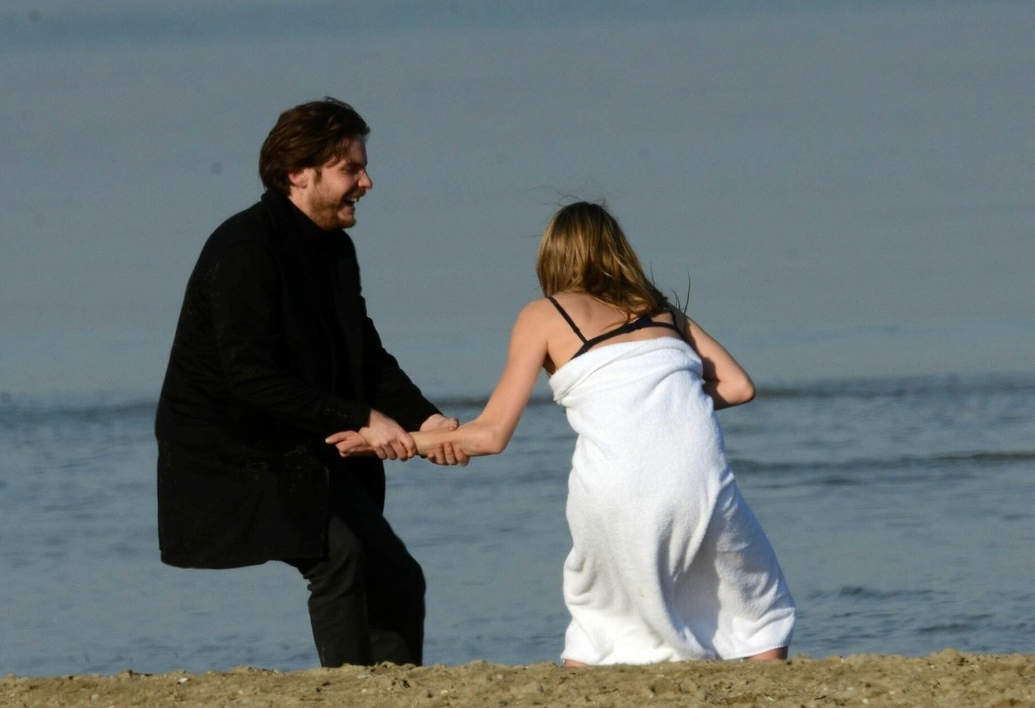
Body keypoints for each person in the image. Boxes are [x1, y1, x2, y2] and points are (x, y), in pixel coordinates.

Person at [332, 201, 795, 665]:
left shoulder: (544, 315)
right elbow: (739, 386)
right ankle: (772, 687)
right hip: (701, 486)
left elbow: (491, 435)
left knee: (602, 614)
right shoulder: (662, 312)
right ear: (618, 251)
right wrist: (666, 399)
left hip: (615, 491)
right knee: (755, 600)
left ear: (552, 257)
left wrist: (397, 442)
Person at [156, 97, 464, 669]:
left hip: (303, 436)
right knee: (339, 557)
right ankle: (347, 694)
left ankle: (398, 698)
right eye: (351, 169)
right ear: (299, 173)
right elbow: (250, 378)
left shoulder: (334, 249)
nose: (367, 183)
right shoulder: (245, 249)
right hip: (232, 448)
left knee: (397, 575)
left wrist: (427, 419)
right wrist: (361, 418)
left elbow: (365, 355)